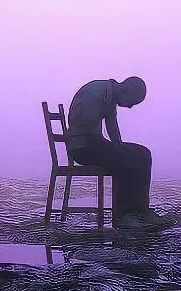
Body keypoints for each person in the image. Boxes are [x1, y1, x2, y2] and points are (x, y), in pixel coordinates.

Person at [65, 77, 162, 229]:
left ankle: (142, 210)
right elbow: (89, 133)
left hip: (94, 143)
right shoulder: (95, 94)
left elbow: (112, 126)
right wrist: (118, 150)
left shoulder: (110, 96)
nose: (130, 106)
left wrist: (120, 146)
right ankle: (123, 216)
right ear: (125, 90)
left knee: (143, 154)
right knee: (122, 160)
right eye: (132, 101)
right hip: (82, 147)